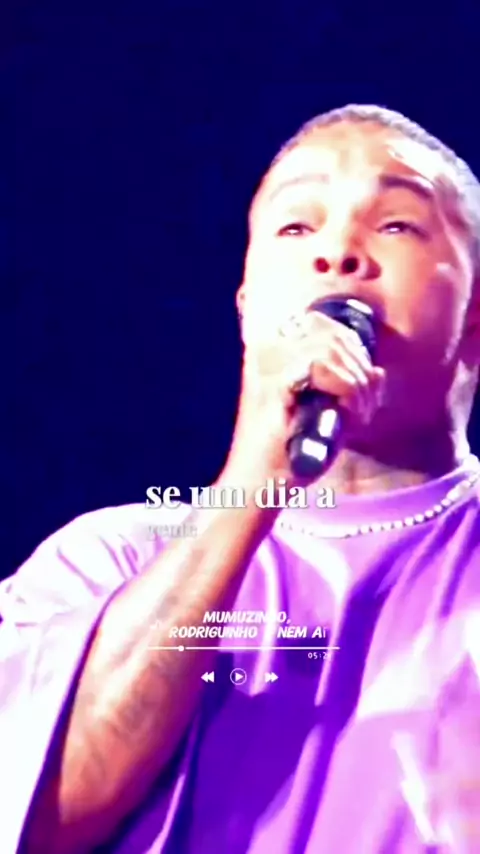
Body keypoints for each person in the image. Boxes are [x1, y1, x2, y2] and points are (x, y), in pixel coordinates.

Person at [2, 103, 480, 854]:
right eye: (296, 227)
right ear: (249, 310)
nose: (338, 253)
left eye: (395, 225)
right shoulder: (105, 562)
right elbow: (43, 813)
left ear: (476, 314)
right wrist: (252, 484)